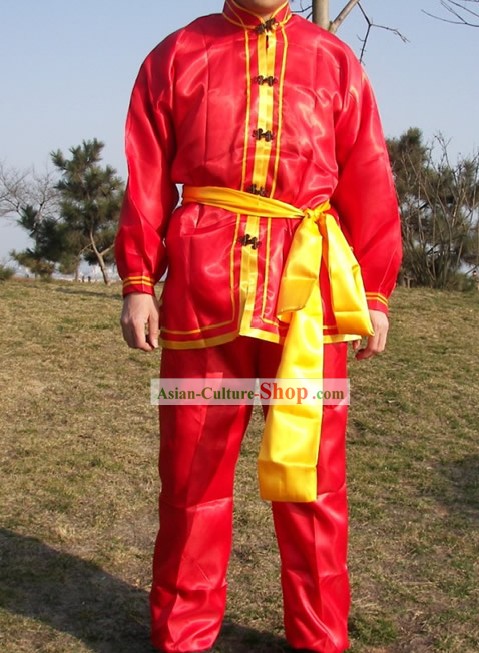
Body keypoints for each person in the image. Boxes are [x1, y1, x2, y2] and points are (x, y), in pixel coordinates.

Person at [116, 1, 402, 652]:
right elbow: (148, 176)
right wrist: (138, 281)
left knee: (315, 484)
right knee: (190, 480)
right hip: (199, 297)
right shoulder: (176, 56)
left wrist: (376, 292)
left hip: (310, 305)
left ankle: (321, 638)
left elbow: (368, 176)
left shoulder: (335, 62)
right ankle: (181, 636)